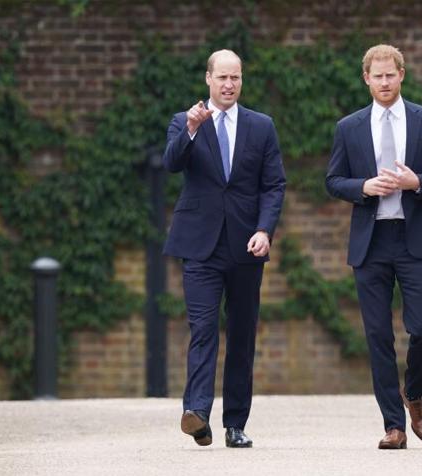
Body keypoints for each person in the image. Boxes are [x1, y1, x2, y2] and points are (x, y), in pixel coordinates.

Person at [325, 44, 422, 449]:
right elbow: (333, 181)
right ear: (365, 78)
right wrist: (363, 187)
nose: (384, 82)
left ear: (402, 75)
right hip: (371, 241)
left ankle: (414, 392)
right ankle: (393, 426)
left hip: (416, 237)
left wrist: (416, 182)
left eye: (390, 75)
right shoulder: (348, 127)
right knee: (378, 335)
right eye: (376, 75)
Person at [163, 49, 286, 448]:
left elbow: (273, 184)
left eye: (235, 77)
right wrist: (193, 130)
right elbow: (172, 162)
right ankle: (197, 413)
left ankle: (235, 423)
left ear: (241, 80)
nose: (229, 84)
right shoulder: (185, 121)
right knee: (203, 329)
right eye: (222, 78)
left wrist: (265, 229)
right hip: (200, 245)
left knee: (241, 333)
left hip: (246, 247)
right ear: (208, 79)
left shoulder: (261, 126)